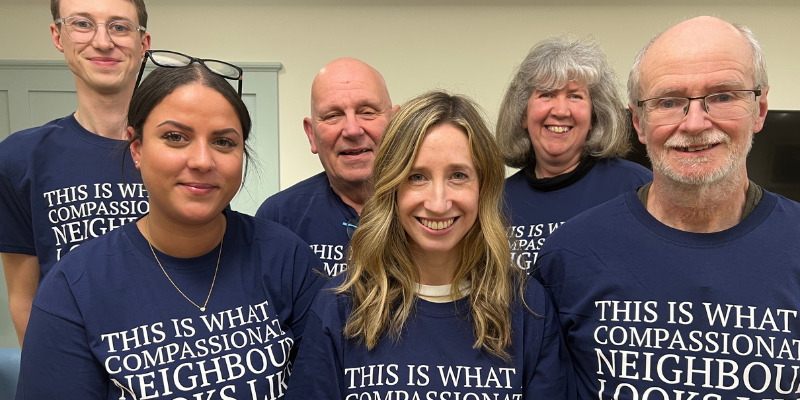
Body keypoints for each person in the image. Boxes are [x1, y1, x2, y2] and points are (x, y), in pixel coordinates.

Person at [18, 59, 325, 399]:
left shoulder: (285, 256)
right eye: (175, 137)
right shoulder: (74, 288)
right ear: (137, 149)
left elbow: (322, 383)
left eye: (224, 142)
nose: (202, 161)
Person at [535, 16, 800, 399]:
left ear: (759, 110)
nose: (694, 123)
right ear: (639, 122)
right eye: (669, 101)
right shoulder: (571, 254)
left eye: (723, 96)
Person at [285, 91, 574, 400]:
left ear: (483, 186)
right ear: (392, 188)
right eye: (417, 177)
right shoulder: (339, 308)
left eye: (458, 175)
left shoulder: (528, 307)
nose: (438, 203)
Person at [0, 0, 151, 345]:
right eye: (82, 24)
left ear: (143, 44)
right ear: (58, 35)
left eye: (119, 26)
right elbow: (24, 299)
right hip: (73, 364)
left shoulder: (180, 152)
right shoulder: (18, 158)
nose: (102, 41)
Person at [497, 37, 652, 270]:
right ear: (522, 115)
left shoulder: (639, 188)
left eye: (575, 96)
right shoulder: (496, 201)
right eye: (546, 94)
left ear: (594, 116)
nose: (560, 111)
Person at [256, 58, 398, 277]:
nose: (352, 130)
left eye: (367, 112)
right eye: (333, 116)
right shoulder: (279, 217)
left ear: (396, 123)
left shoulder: (430, 209)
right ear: (311, 134)